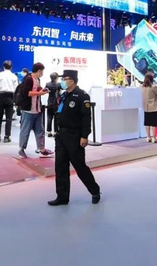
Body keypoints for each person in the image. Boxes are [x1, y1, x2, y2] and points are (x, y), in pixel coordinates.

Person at [48, 70, 101, 206]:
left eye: (65, 79)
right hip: (61, 135)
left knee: (80, 167)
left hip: (74, 136)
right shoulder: (64, 95)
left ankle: (95, 190)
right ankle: (62, 197)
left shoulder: (82, 96)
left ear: (72, 80)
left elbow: (86, 118)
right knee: (60, 167)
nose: (63, 82)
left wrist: (84, 136)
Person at [17, 62, 54, 159]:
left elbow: (36, 90)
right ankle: (21, 149)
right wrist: (39, 93)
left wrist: (42, 90)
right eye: (42, 71)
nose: (42, 73)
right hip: (28, 110)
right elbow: (26, 93)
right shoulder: (28, 79)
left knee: (40, 130)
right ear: (39, 71)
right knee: (25, 131)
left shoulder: (38, 79)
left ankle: (42, 149)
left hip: (37, 109)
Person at [0, 60, 18, 143]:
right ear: (11, 67)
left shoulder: (0, 74)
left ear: (3, 67)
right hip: (10, 97)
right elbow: (16, 88)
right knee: (9, 118)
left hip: (1, 95)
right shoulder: (14, 76)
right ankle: (7, 137)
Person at [141, 72, 157, 143]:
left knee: (147, 123)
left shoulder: (142, 87)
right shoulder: (153, 87)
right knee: (154, 123)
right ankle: (154, 138)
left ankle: (148, 137)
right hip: (154, 107)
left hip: (146, 107)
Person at [45, 72, 61, 138]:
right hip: (56, 103)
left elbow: (45, 90)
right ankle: (55, 132)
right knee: (56, 118)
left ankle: (49, 131)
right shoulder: (59, 84)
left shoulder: (47, 84)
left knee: (49, 117)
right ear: (56, 77)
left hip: (50, 102)